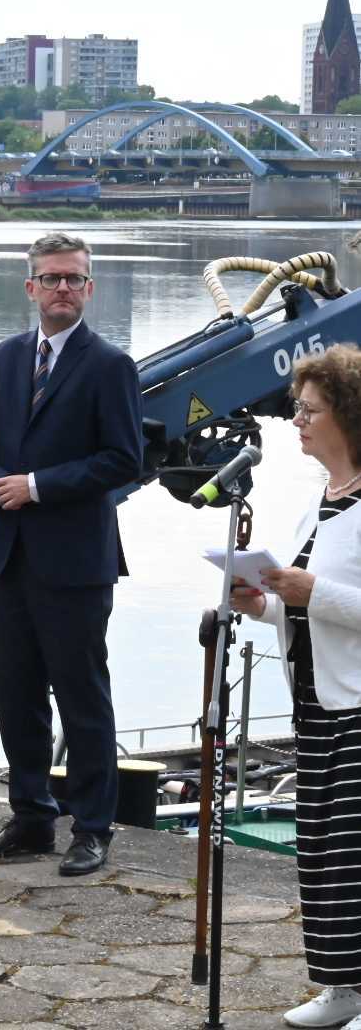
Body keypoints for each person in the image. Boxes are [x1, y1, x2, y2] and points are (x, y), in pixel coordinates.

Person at [0, 231, 141, 877]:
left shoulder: (109, 365)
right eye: (51, 277)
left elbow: (124, 460)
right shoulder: (3, 359)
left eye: (74, 279)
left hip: (76, 561)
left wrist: (35, 486)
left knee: (82, 696)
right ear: (30, 286)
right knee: (16, 694)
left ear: (89, 289)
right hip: (11, 555)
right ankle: (31, 817)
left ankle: (93, 829)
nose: (62, 288)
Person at [230, 346, 361, 1029]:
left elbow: (339, 599)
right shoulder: (325, 500)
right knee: (321, 851)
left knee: (357, 854)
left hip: (359, 707)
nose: (297, 420)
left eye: (308, 409)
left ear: (346, 412)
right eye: (296, 408)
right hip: (316, 701)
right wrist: (268, 603)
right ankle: (341, 986)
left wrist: (314, 592)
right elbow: (312, 602)